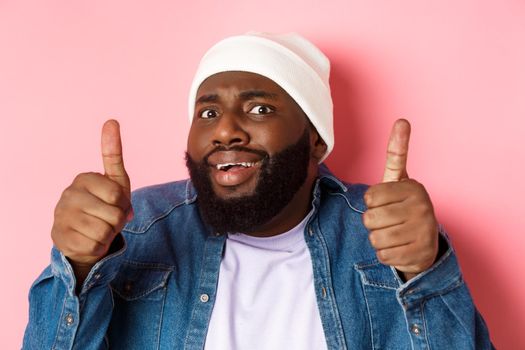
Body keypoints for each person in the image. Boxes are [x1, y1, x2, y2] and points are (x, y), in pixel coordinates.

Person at [23, 32, 493, 349]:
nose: (225, 130)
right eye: (207, 113)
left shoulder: (387, 230)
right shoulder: (135, 226)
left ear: (315, 139)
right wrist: (79, 269)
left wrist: (425, 273)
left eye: (260, 109)